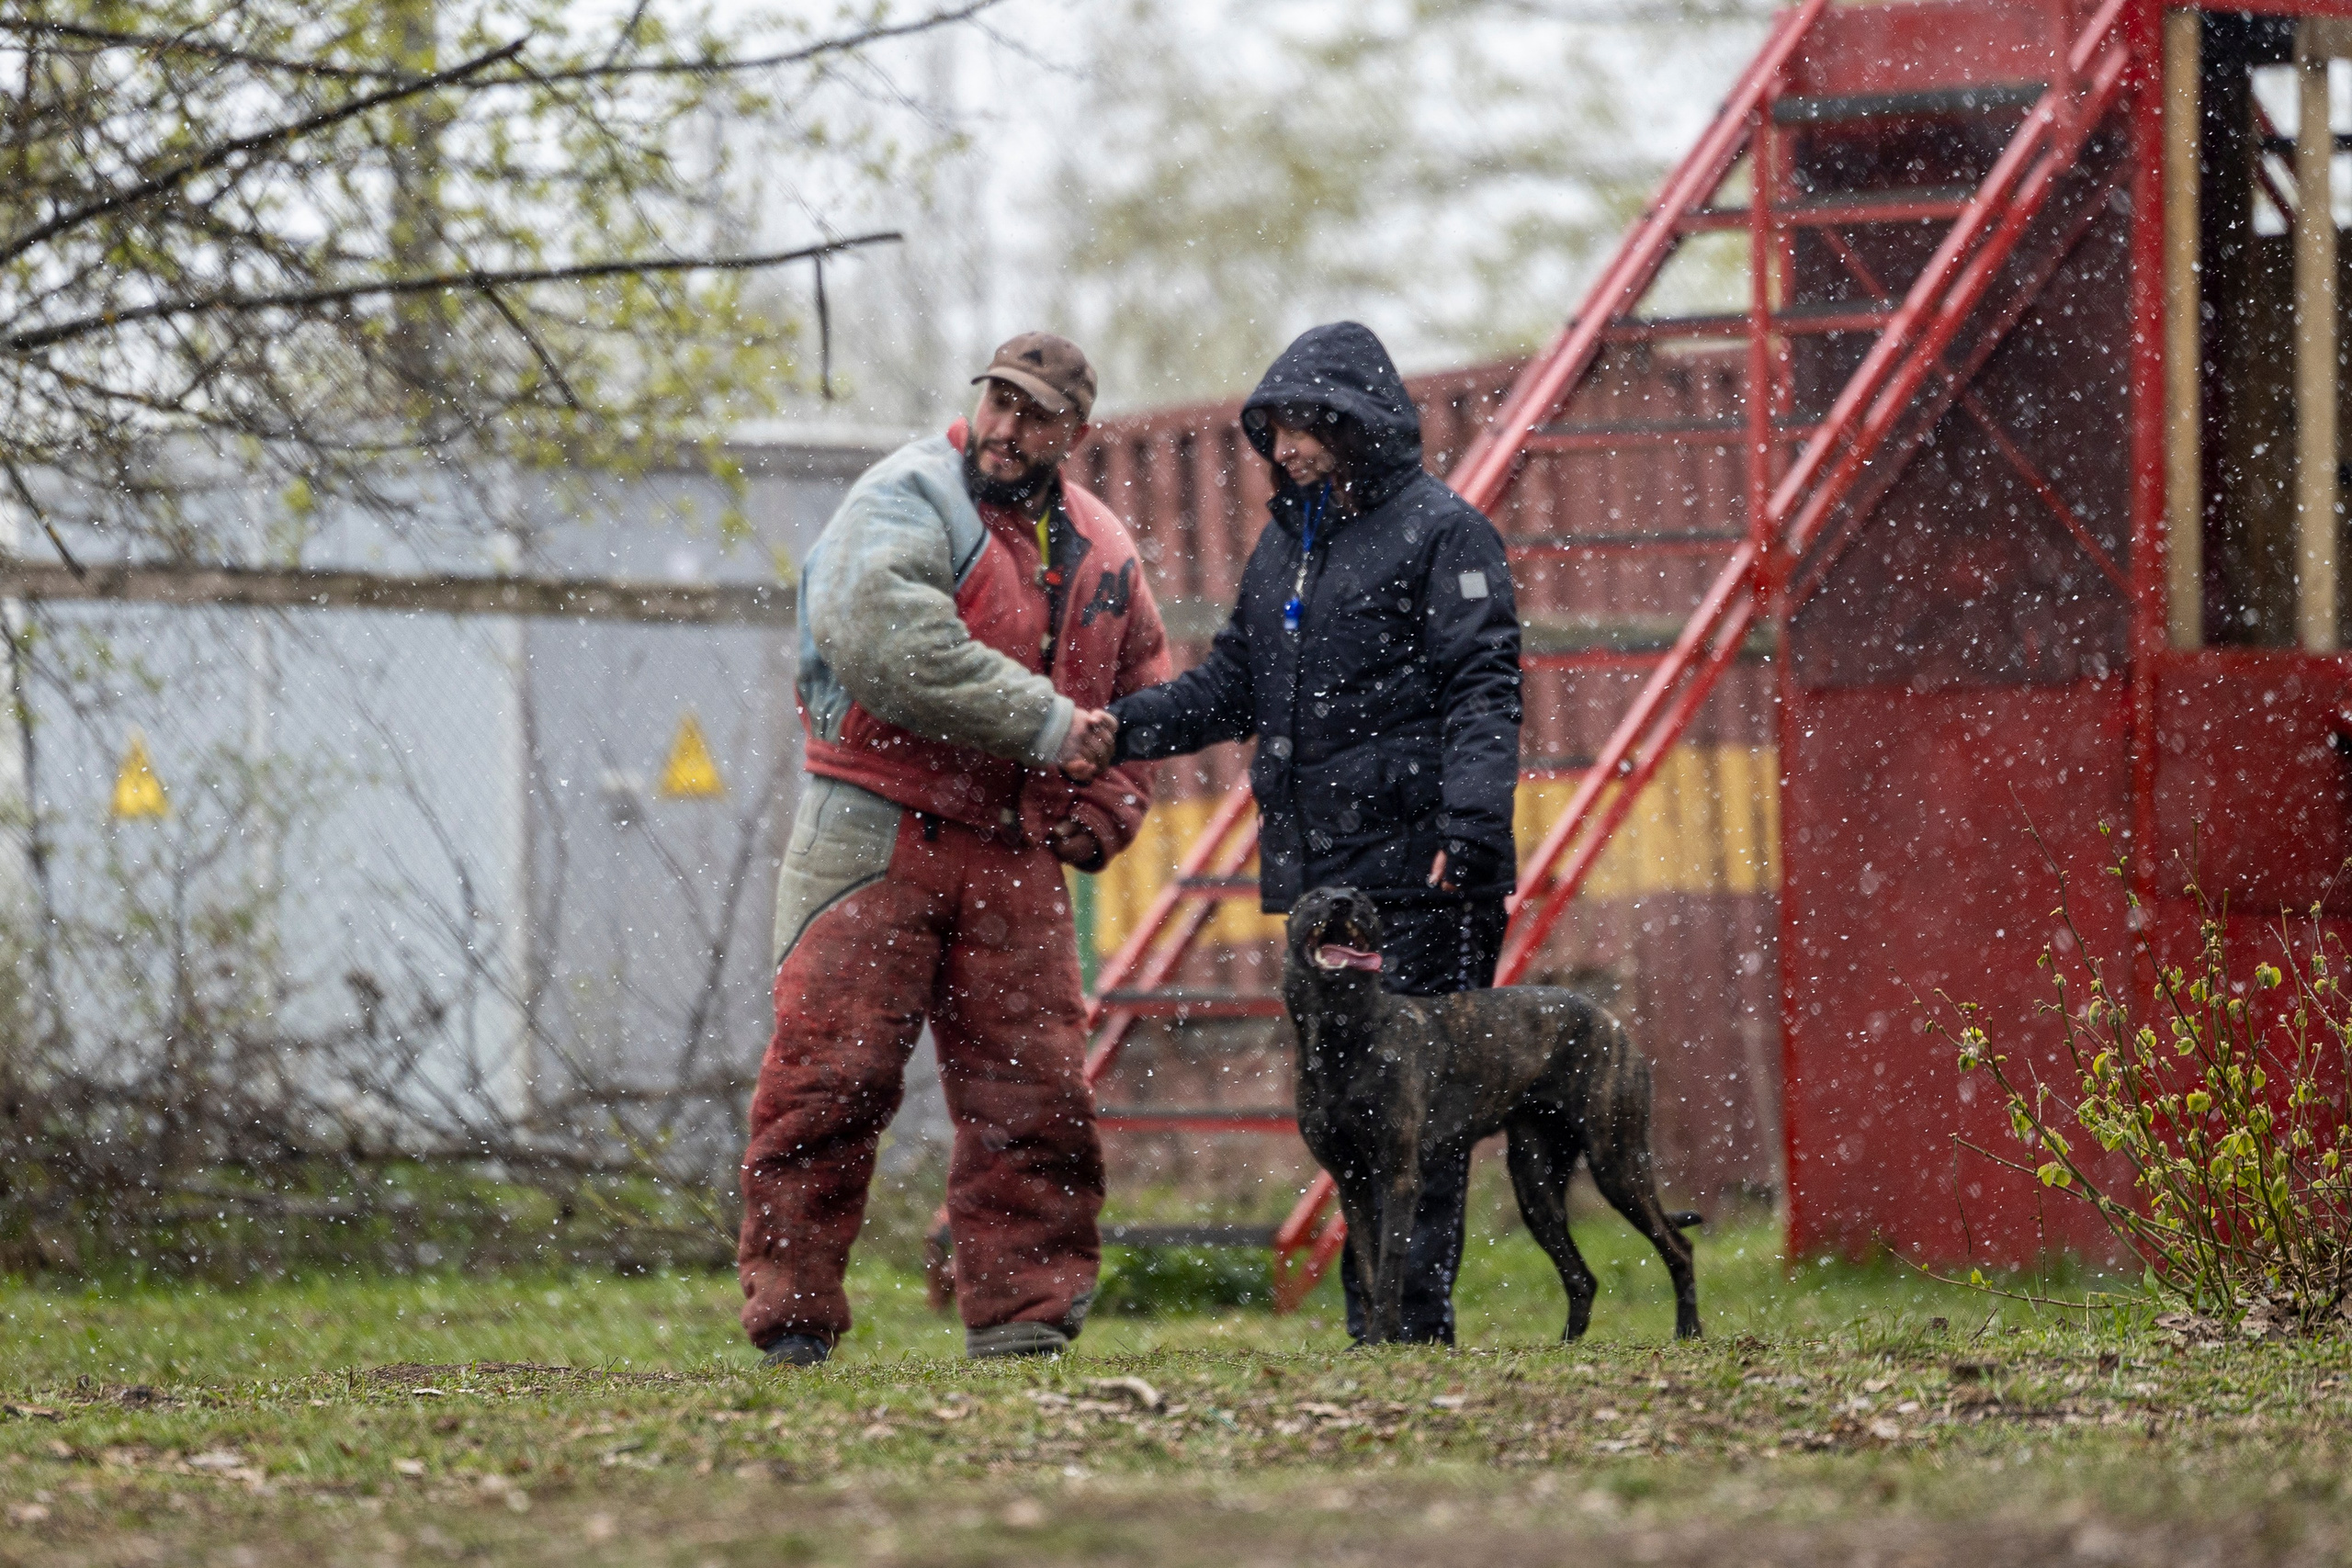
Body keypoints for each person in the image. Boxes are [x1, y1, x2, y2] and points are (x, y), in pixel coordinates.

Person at [739, 332, 1169, 1367]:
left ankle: (1024, 1317)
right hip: (870, 824)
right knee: (828, 1079)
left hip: (1014, 844)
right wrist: (1053, 729)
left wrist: (1106, 805)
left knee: (1035, 1093)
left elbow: (1144, 687)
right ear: (977, 400)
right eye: (998, 404)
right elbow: (890, 648)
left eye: (1035, 416)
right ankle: (792, 1317)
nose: (1008, 430)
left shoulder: (1104, 546)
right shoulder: (904, 497)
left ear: (1075, 432)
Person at [1107, 321, 1521, 1345]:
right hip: (1328, 889)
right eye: (1276, 428)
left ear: (1358, 422)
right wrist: (1119, 728)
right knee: (1352, 1123)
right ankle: (1372, 1333)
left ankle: (1413, 1334)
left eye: (1305, 426)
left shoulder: (1444, 533)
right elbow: (1231, 686)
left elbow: (1484, 685)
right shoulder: (1286, 546)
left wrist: (1469, 829)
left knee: (1421, 1125)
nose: (1285, 446)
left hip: (1427, 876)